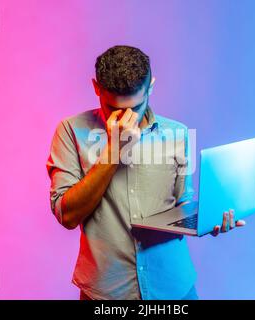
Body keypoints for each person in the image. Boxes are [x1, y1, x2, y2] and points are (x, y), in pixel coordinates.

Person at [46, 45, 245, 300]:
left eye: (135, 108)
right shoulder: (71, 131)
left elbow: (183, 202)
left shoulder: (177, 133)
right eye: (113, 109)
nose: (126, 118)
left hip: (174, 288)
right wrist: (113, 150)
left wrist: (209, 219)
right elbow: (67, 215)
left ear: (150, 87)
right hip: (107, 293)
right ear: (96, 88)